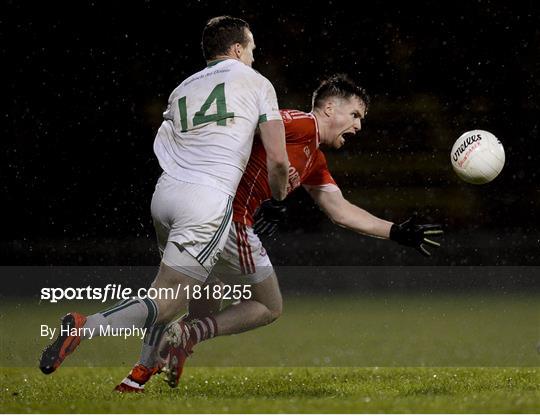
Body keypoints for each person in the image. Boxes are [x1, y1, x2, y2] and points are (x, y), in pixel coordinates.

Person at [119, 73, 443, 391]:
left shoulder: (314, 158)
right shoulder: (298, 123)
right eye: (355, 114)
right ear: (329, 108)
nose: (358, 125)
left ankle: (139, 374)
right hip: (225, 219)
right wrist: (271, 187)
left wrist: (396, 231)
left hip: (203, 214)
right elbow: (245, 130)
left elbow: (339, 210)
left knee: (200, 299)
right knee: (268, 305)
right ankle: (176, 337)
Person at [38, 15, 289, 389]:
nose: (254, 57)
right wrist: (279, 196)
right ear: (238, 49)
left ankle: (139, 375)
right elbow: (278, 159)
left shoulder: (182, 88)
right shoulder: (256, 82)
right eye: (252, 49)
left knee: (184, 290)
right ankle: (86, 326)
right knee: (170, 301)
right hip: (207, 199)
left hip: (166, 195)